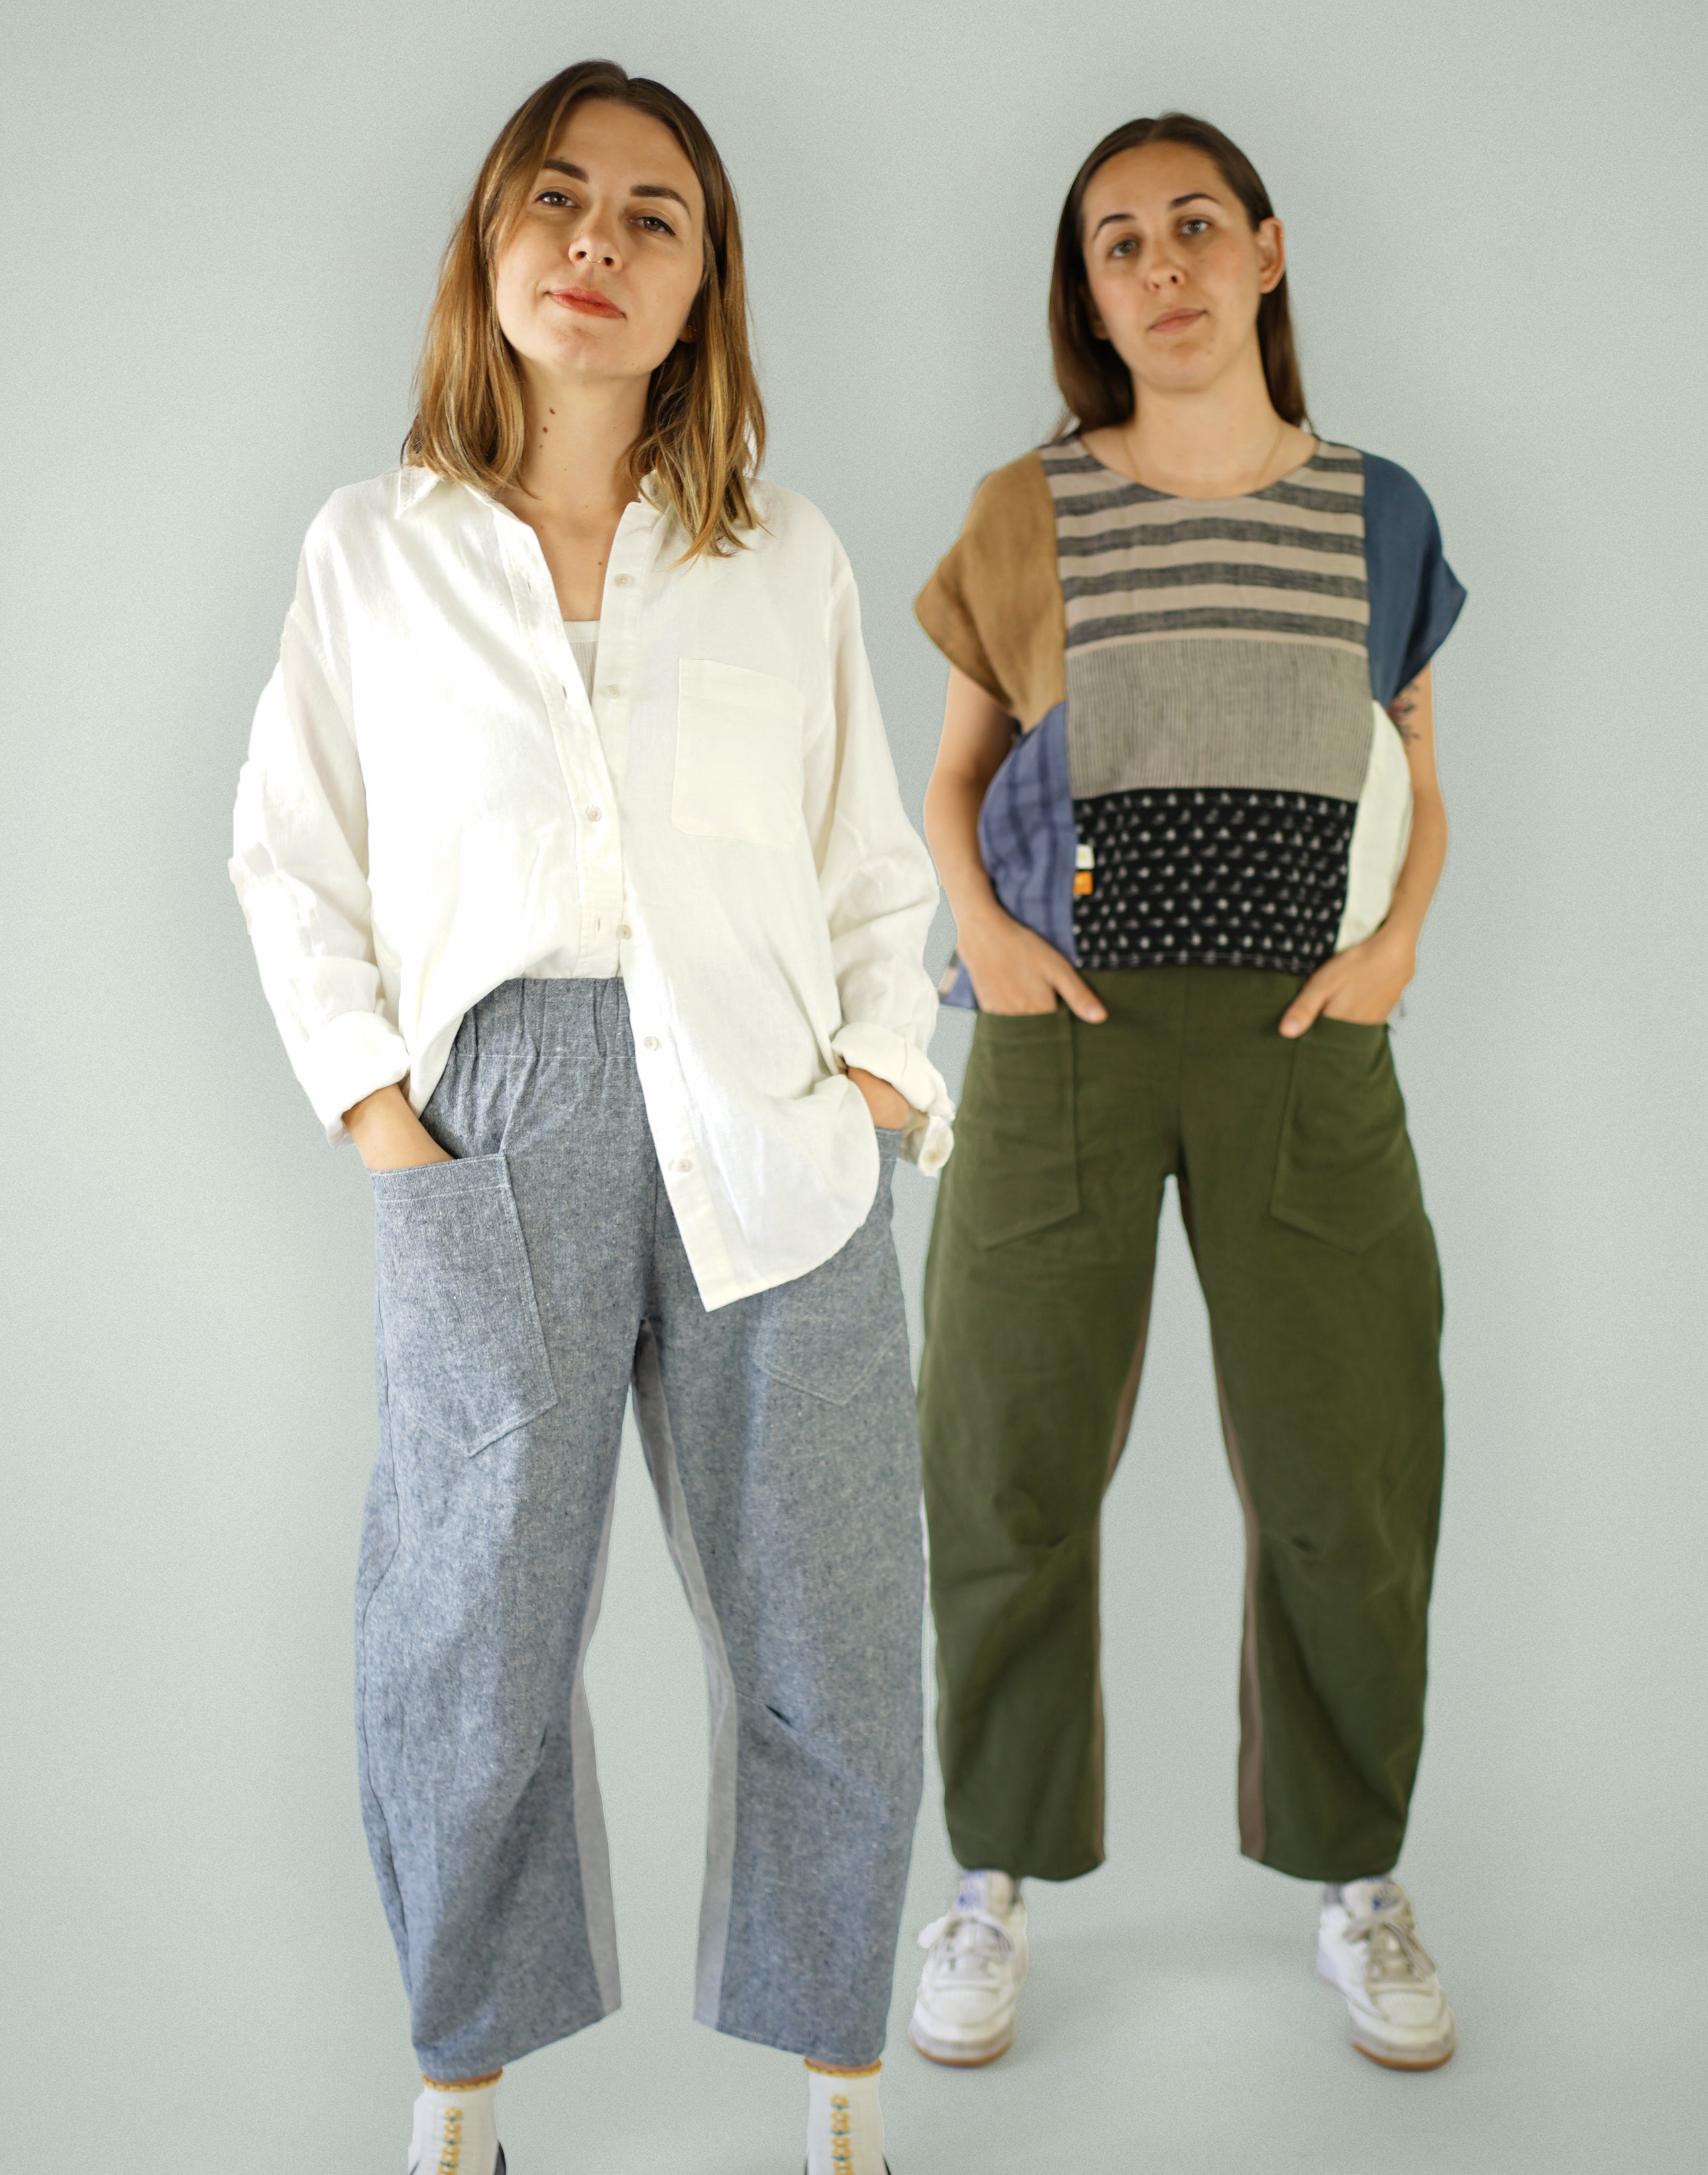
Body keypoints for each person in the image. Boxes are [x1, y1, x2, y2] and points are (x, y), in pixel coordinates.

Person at [230, 61, 952, 2175]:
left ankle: (841, 2087)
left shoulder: (784, 554)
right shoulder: (375, 550)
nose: (600, 244)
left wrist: (882, 1085)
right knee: (470, 1633)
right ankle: (462, 2088)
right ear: (491, 242)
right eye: (559, 199)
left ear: (705, 281)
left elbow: (868, 862)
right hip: (499, 1121)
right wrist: (384, 1115)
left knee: (832, 1621)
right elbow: (292, 854)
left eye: (655, 215)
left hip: (771, 1120)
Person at [908, 111, 1465, 2076]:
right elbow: (953, 778)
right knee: (1004, 1457)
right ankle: (990, 1883)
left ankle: (1356, 1878)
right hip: (1062, 1033)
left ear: (1267, 252)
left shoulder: (1378, 516)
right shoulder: (1029, 510)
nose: (1161, 268)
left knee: (1348, 1466)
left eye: (1195, 228)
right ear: (1089, 291)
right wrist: (980, 933)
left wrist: (1397, 948)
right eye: (1118, 243)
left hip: (1307, 1044)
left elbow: (1421, 784)